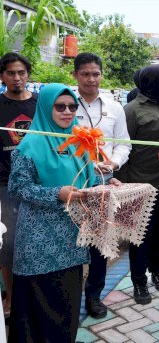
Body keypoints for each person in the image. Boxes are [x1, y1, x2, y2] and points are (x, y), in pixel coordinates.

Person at [9, 83, 119, 342]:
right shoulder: (30, 145)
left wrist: (106, 182)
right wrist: (56, 193)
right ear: (47, 108)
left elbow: (87, 178)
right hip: (39, 244)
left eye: (72, 106)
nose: (68, 111)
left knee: (65, 305)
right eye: (60, 106)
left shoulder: (77, 140)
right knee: (38, 311)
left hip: (71, 241)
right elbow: (18, 187)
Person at [73, 52, 132, 319]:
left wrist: (113, 165)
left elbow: (123, 144)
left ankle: (94, 296)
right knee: (71, 243)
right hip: (72, 183)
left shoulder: (114, 108)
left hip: (104, 183)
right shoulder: (66, 105)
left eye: (95, 73)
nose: (91, 79)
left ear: (101, 75)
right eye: (85, 73)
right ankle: (70, 296)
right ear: (75, 75)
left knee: (99, 244)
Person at [115, 65, 159, 305]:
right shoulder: (130, 110)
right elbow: (123, 149)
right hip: (140, 184)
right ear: (154, 82)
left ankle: (157, 272)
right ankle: (139, 281)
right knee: (140, 237)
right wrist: (126, 186)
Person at [0, 52, 37, 319]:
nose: (17, 78)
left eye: (21, 72)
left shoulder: (41, 104)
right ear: (2, 76)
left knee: (34, 242)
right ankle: (11, 297)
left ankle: (33, 296)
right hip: (5, 184)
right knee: (9, 244)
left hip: (38, 184)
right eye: (11, 73)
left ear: (28, 75)